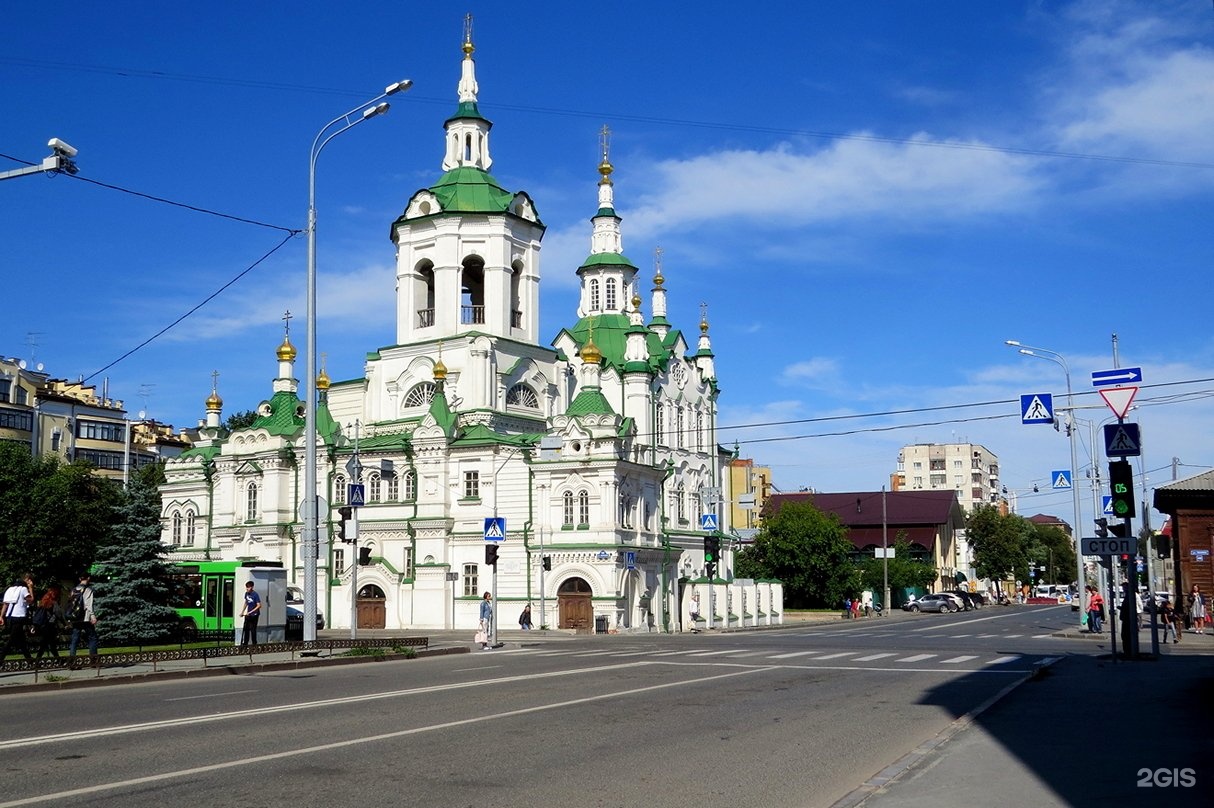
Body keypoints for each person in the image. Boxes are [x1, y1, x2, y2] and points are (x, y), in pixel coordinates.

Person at [1, 572, 36, 666]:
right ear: (26, 579)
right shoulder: (24, 589)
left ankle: (29, 660)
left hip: (10, 616)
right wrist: (31, 588)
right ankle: (1, 658)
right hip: (19, 617)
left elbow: (5, 604)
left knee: (21, 640)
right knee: (11, 640)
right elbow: (31, 601)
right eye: (30, 580)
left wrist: (1, 616)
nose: (31, 582)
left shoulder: (10, 589)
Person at [68, 572, 99, 660]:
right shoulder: (88, 590)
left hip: (76, 618)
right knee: (92, 638)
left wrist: (70, 619)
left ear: (80, 579)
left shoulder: (73, 590)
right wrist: (93, 616)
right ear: (88, 578)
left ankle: (72, 661)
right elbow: (89, 604)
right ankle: (93, 660)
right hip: (85, 618)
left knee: (74, 640)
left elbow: (71, 605)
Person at [33, 583, 64, 661]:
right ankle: (57, 659)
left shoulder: (42, 603)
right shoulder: (53, 603)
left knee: (47, 643)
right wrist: (64, 624)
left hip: (42, 625)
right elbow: (58, 614)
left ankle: (57, 659)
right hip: (49, 626)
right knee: (49, 643)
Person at [239, 581, 262, 646]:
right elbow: (246, 602)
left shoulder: (255, 594)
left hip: (254, 615)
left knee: (253, 629)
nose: (247, 589)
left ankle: (254, 644)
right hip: (248, 615)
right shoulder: (246, 594)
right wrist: (242, 612)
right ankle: (245, 643)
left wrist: (251, 612)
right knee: (246, 629)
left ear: (251, 587)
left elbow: (259, 605)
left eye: (248, 587)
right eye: (246, 587)